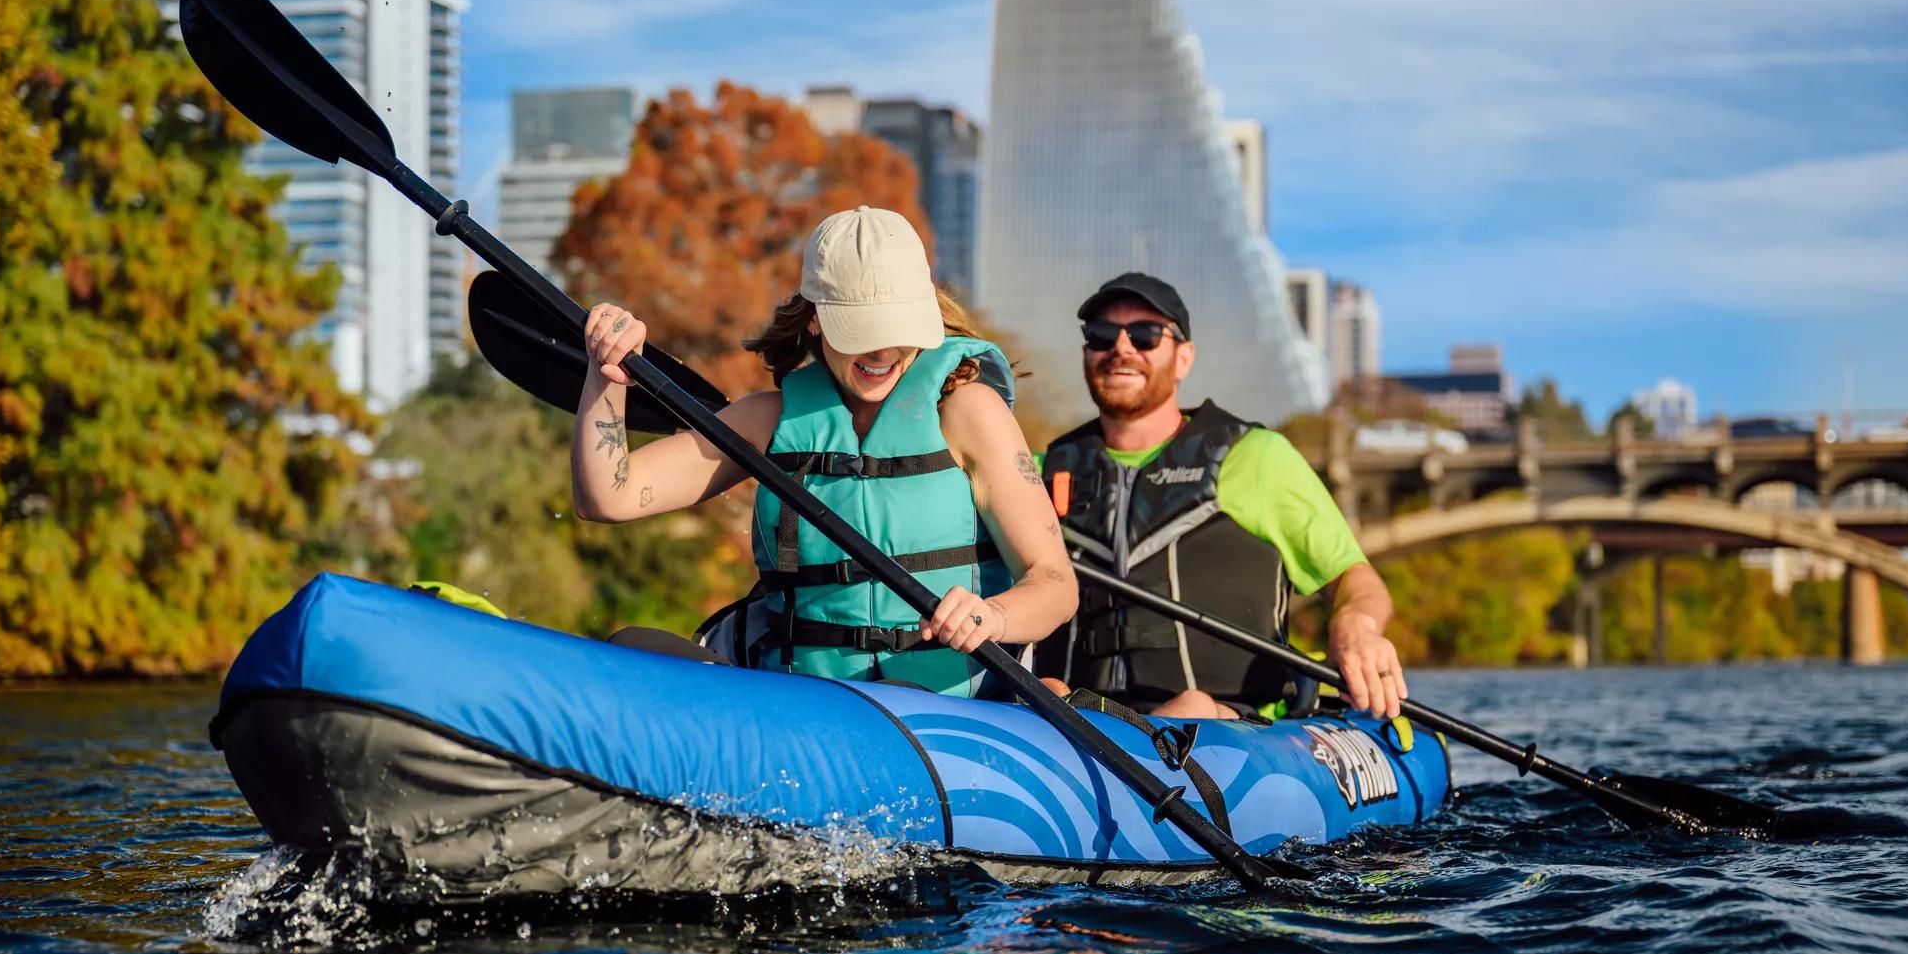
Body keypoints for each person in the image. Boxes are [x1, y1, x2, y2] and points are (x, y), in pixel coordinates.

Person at [572, 206, 1077, 695]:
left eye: (898, 329)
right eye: (863, 332)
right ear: (814, 320)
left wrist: (994, 616)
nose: (883, 351)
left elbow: (1054, 583)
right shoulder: (767, 421)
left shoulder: (969, 412)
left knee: (896, 701)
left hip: (939, 715)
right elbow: (609, 498)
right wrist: (607, 378)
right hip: (806, 705)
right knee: (632, 649)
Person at [1033, 272, 1409, 721]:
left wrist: (1356, 626)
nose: (1122, 348)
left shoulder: (1256, 458)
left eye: (1147, 335)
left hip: (1224, 723)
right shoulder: (1037, 471)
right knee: (1046, 689)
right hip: (1072, 722)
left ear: (1184, 357)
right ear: (1086, 352)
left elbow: (1355, 582)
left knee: (1190, 706)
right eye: (1101, 335)